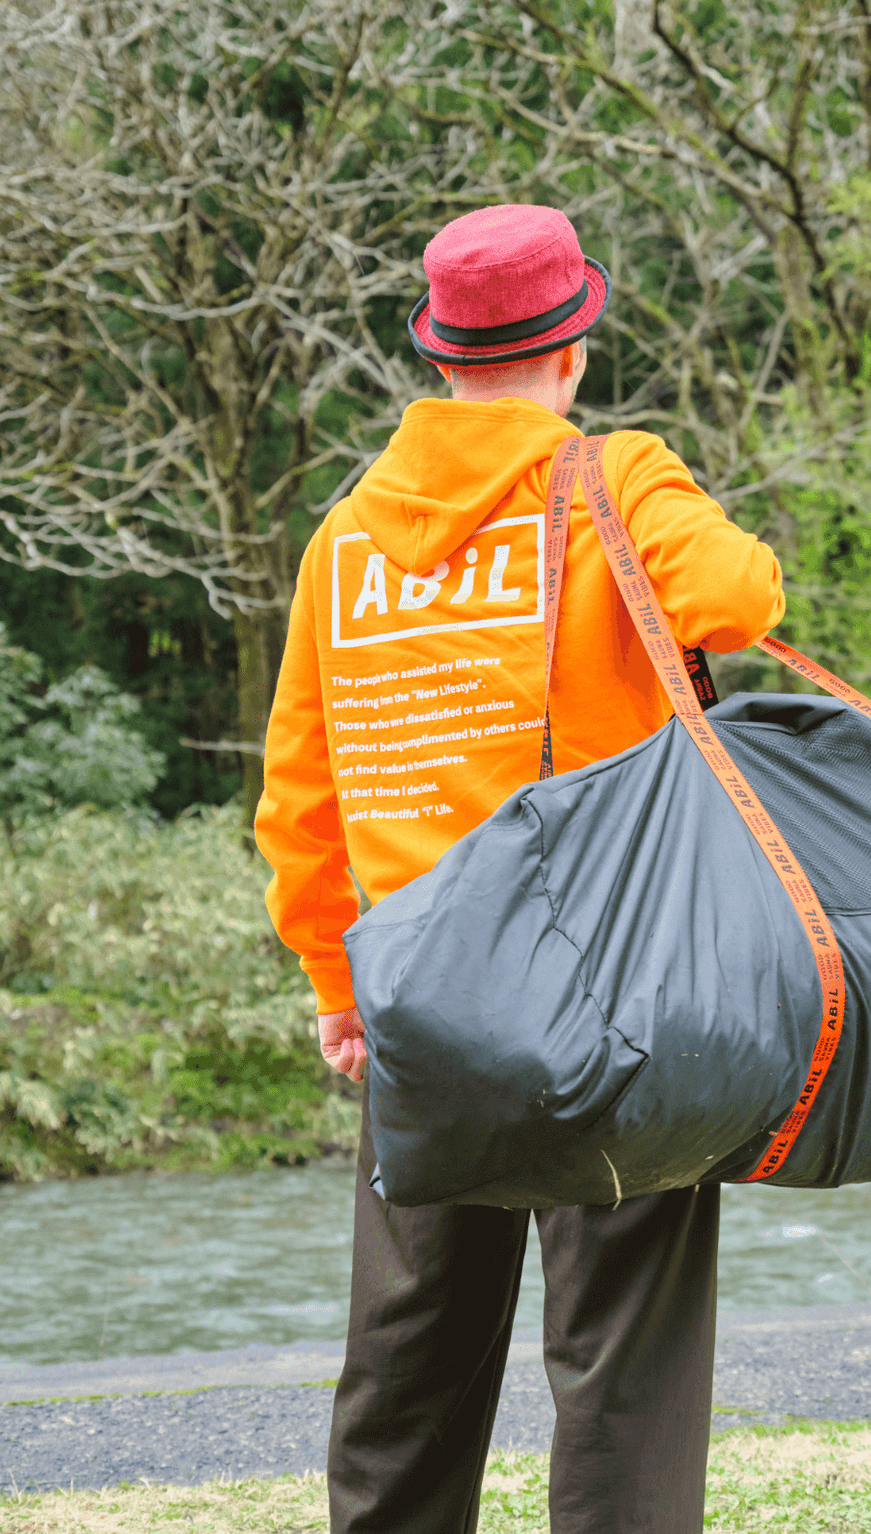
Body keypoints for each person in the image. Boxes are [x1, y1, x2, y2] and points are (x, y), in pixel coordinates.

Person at [255, 203, 785, 1534]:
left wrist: (336, 979)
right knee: (621, 1361)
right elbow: (740, 600)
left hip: (419, 1005)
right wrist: (635, 505)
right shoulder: (611, 478)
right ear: (576, 348)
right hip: (613, 1001)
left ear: (439, 358)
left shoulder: (344, 543)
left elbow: (300, 802)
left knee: (408, 1360)